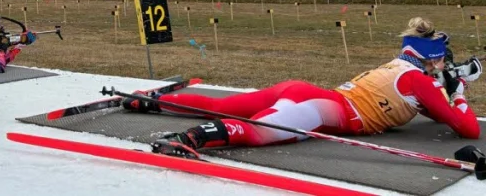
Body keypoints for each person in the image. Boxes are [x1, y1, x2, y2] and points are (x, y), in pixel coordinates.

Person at [134, 18, 481, 156]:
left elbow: (436, 114)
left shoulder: (402, 68)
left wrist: (447, 88)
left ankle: (147, 103)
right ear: (431, 58)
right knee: (259, 132)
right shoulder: (422, 82)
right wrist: (460, 89)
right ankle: (191, 138)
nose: (444, 66)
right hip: (326, 109)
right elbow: (464, 127)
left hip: (308, 92)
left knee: (226, 105)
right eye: (442, 61)